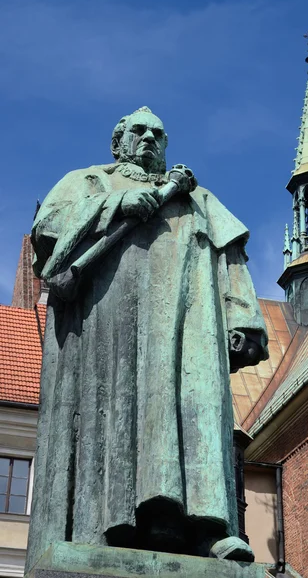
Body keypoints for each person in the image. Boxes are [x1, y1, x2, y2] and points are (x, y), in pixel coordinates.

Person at [26, 107, 268, 571]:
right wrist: (116, 205)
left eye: (159, 134)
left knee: (193, 413)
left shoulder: (196, 198)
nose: (149, 139)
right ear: (118, 141)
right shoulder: (89, 182)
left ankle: (209, 531)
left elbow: (229, 256)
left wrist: (241, 317)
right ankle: (114, 525)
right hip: (110, 330)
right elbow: (48, 230)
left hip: (188, 330)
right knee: (119, 416)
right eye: (138, 131)